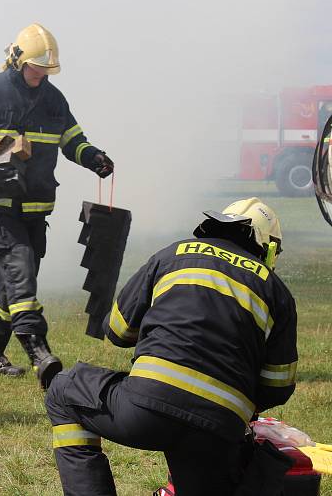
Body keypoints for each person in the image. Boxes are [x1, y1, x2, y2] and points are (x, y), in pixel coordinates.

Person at [45, 198, 298, 496]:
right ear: (268, 247)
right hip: (218, 432)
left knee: (63, 390)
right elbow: (278, 386)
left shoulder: (172, 255)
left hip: (144, 411)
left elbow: (116, 330)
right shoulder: (277, 291)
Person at [0, 22, 115, 388]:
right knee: (20, 268)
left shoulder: (54, 100)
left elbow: (73, 141)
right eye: (35, 66)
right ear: (17, 60)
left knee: (13, 278)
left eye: (46, 69)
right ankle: (40, 352)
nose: (40, 74)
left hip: (36, 207)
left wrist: (94, 158)